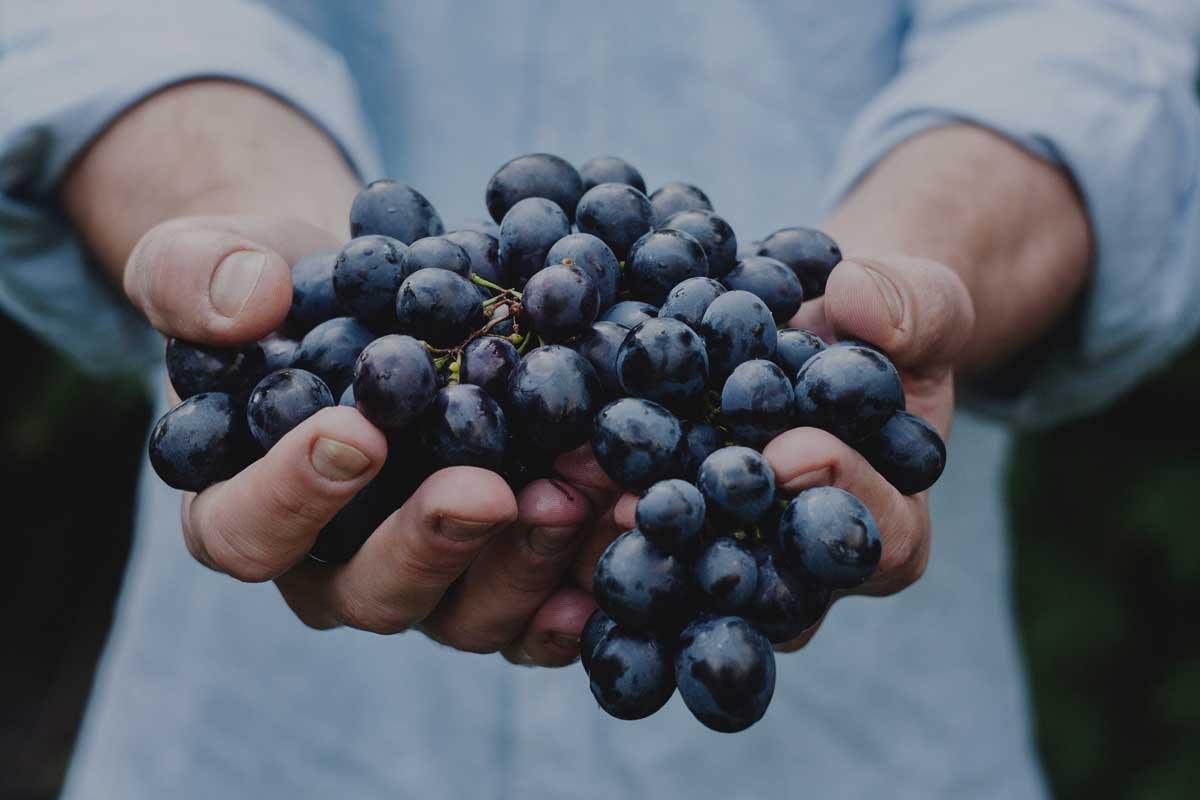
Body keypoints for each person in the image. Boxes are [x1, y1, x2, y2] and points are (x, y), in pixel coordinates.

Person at [4, 1, 1199, 797]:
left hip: (857, 740)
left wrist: (907, 269)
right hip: (266, 739)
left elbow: (1096, 38)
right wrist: (240, 233)